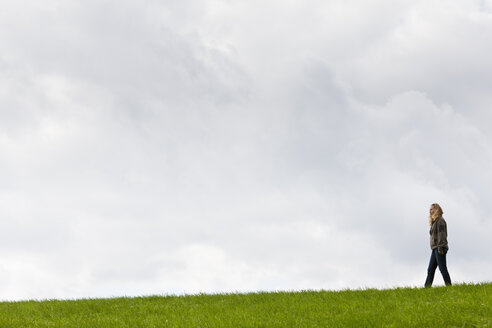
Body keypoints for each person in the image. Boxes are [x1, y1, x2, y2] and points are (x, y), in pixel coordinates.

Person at [424, 203, 452, 287]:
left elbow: (442, 235)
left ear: (436, 210)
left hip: (440, 248)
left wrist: (440, 248)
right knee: (430, 269)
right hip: (435, 248)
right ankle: (427, 288)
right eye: (429, 210)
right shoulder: (435, 221)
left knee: (442, 268)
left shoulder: (440, 221)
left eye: (431, 209)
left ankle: (449, 287)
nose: (430, 211)